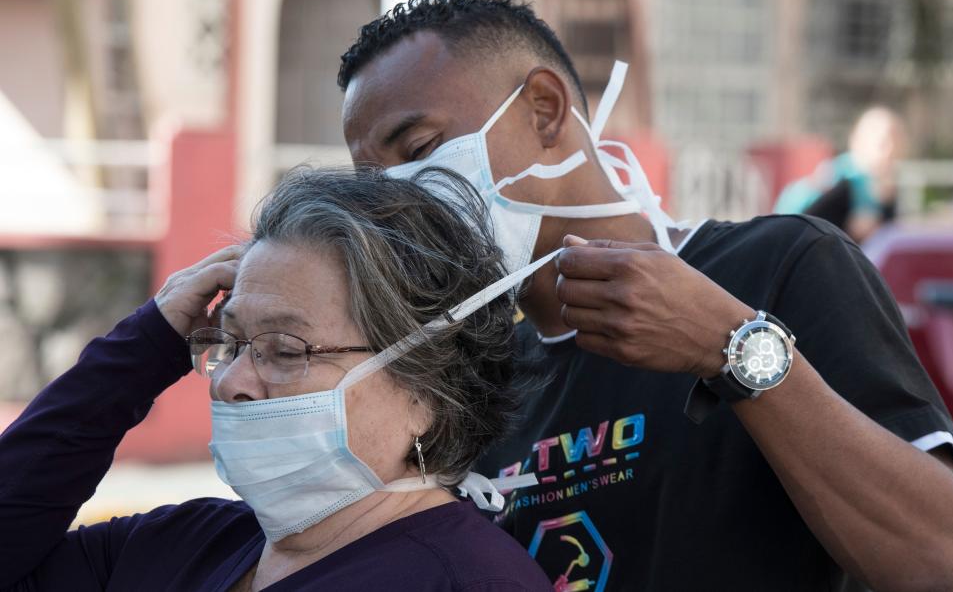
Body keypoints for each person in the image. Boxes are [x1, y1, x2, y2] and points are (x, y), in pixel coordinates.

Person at [338, 0, 953, 591]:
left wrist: (734, 350)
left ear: (545, 111)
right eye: (373, 183)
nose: (397, 199)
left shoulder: (781, 265)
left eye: (419, 149)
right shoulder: (479, 385)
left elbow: (941, 557)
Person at [0, 168, 553, 591]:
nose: (230, 381)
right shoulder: (185, 544)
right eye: (231, 343)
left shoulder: (467, 579)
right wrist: (147, 346)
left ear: (426, 394)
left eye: (284, 350)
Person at [774, 106, 907, 243]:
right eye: (883, 143)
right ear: (859, 140)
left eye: (896, 142)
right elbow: (860, 227)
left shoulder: (878, 182)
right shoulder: (846, 178)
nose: (890, 150)